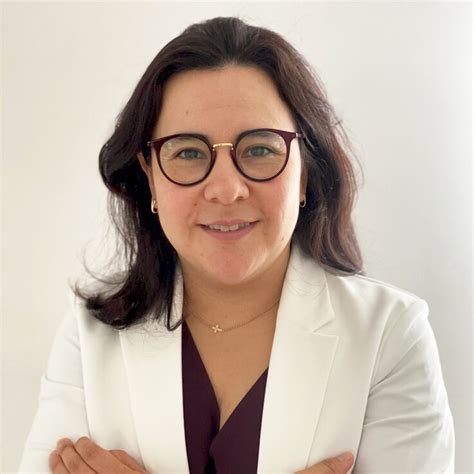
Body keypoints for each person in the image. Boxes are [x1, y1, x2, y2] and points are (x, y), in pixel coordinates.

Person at [18, 16, 455, 474]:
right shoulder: (89, 334)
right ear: (149, 175)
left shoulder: (390, 335)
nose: (226, 190)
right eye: (188, 152)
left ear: (304, 172)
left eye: (260, 149)